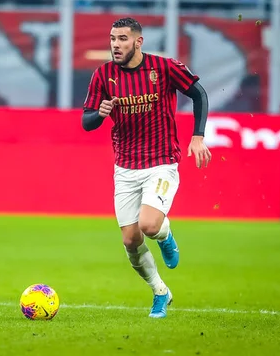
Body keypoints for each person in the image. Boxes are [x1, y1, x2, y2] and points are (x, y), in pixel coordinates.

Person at [81, 17, 211, 318]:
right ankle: (160, 292)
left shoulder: (164, 68)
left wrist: (198, 136)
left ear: (138, 42)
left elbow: (198, 94)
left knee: (149, 225)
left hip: (161, 163)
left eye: (123, 39)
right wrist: (99, 114)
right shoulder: (103, 75)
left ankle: (165, 235)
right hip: (125, 168)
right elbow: (86, 122)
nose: (116, 44)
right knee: (130, 240)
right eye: (113, 38)